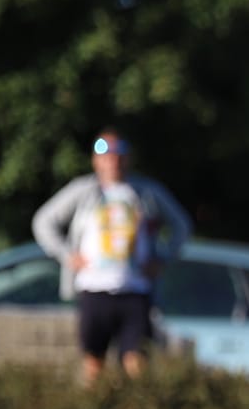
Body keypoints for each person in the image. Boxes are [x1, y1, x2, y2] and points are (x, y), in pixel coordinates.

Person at [30, 129, 193, 384]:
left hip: (135, 291)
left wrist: (161, 258)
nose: (113, 161)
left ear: (126, 159)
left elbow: (181, 225)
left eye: (119, 155)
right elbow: (43, 221)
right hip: (94, 290)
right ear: (96, 160)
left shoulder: (145, 192)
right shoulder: (83, 191)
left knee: (136, 362)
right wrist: (67, 255)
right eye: (105, 155)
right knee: (93, 365)